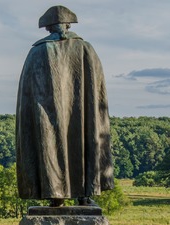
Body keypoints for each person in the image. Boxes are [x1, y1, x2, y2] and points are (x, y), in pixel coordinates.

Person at [15, 5, 114, 207]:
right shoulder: (86, 49)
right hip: (81, 116)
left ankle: (56, 194)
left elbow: (27, 98)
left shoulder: (37, 52)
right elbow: (98, 92)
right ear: (68, 25)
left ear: (48, 28)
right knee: (82, 141)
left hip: (47, 117)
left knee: (50, 144)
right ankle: (84, 195)